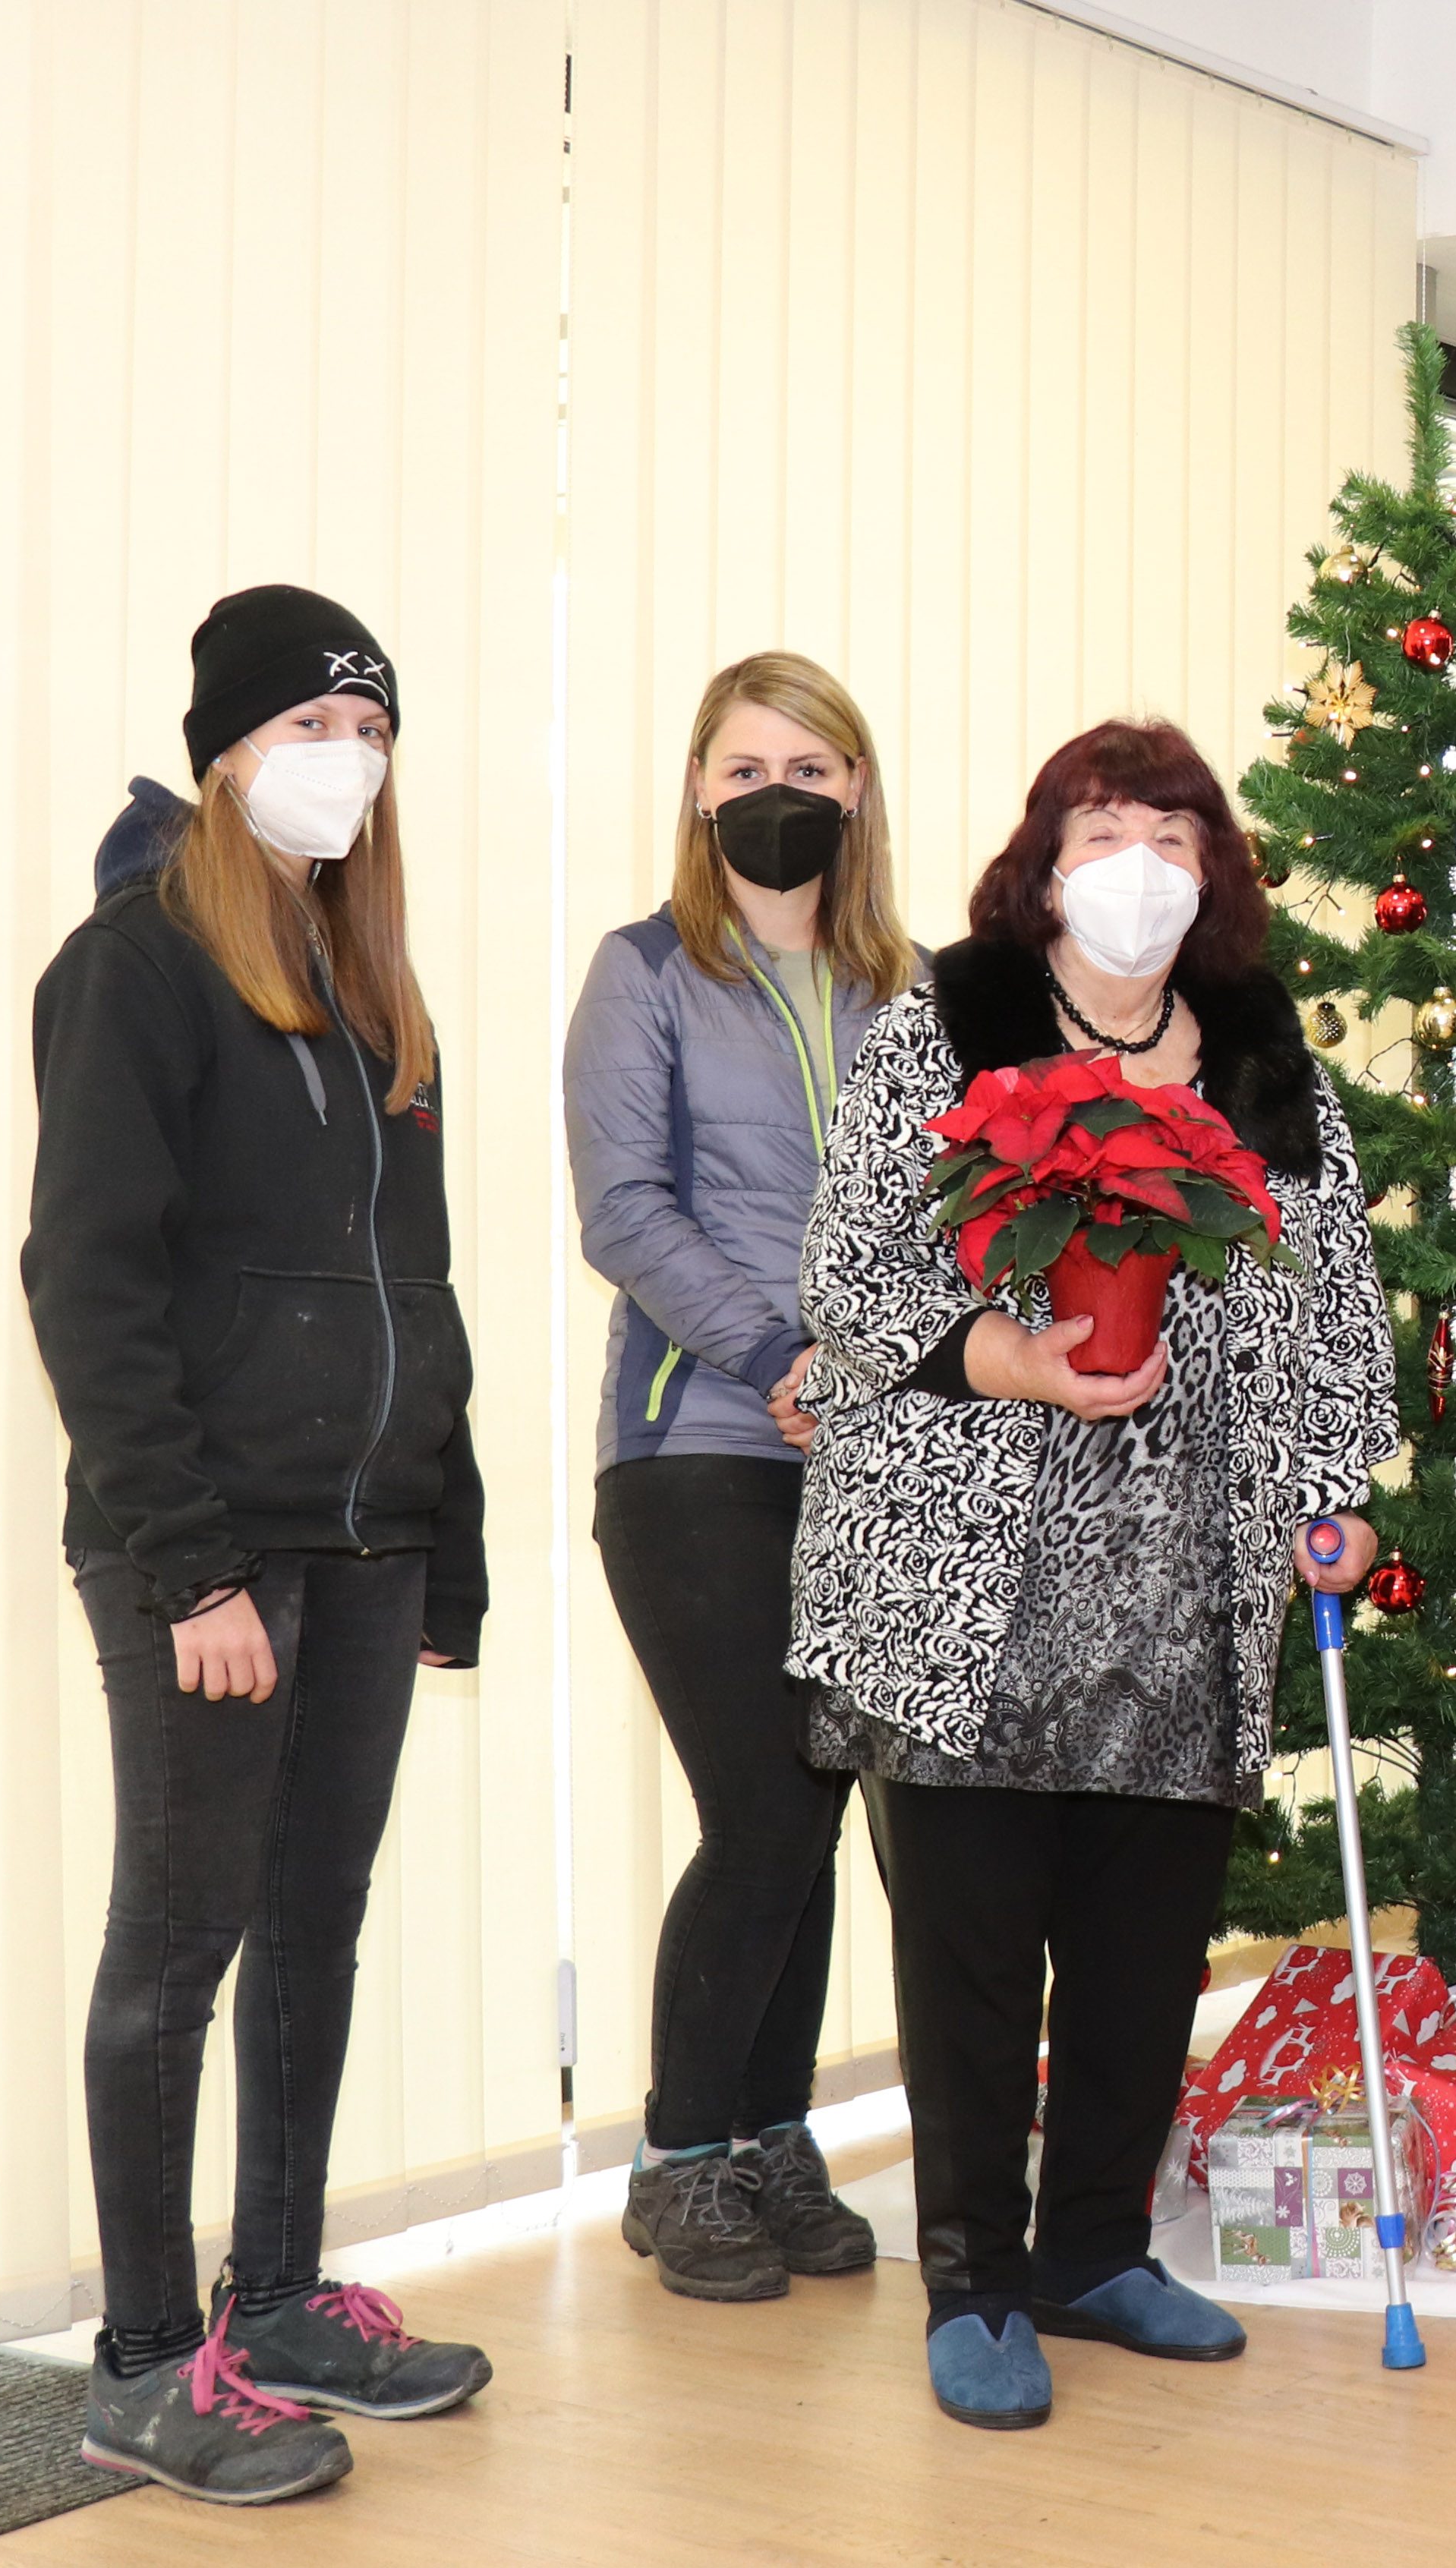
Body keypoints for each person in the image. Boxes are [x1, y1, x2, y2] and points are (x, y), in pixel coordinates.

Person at [786, 717, 1396, 2430]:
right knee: (975, 1951)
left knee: (1142, 1947)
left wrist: (1328, 1481)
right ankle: (976, 2281)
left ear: (1212, 869)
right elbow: (848, 1268)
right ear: (1041, 865)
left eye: (1171, 833)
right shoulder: (953, 1022)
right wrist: (1009, 1357)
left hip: (1190, 1565)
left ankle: (1098, 2250)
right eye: (1098, 831)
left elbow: (1336, 1300)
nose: (1134, 865)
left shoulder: (1267, 1055)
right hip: (968, 1559)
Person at [24, 586, 493, 2506]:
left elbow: (419, 1282)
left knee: (314, 1931)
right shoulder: (132, 966)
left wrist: (449, 1538)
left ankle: (279, 2298)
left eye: (370, 732)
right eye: (310, 726)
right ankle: (146, 2362)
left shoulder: (369, 979)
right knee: (179, 1949)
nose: (345, 762)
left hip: (371, 1538)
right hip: (209, 1547)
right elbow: (89, 1286)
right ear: (225, 750)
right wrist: (191, 1569)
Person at [568, 651, 919, 2302]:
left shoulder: (912, 995)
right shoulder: (642, 974)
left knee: (817, 1801)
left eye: (814, 763)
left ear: (856, 792)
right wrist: (783, 1357)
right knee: (764, 1802)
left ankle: (771, 2139)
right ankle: (677, 2157)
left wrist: (896, 1375)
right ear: (699, 790)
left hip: (875, 1455)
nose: (778, 792)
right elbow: (624, 1209)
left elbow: (956, 1215)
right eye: (744, 763)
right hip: (694, 1442)